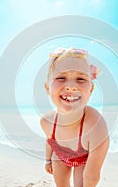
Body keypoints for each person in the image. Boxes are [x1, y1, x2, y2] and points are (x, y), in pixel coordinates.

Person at [40, 47, 109, 187]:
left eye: (81, 78)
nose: (71, 86)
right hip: (59, 156)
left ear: (91, 89)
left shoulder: (95, 125)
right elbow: (50, 140)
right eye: (61, 78)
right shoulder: (46, 121)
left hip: (82, 158)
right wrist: (48, 160)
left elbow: (92, 176)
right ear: (47, 87)